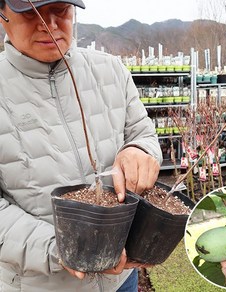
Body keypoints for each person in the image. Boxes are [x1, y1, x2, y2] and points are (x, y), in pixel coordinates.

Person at [0, 0, 162, 291]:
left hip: (120, 280)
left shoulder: (111, 72)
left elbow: (142, 133)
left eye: (60, 9)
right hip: (40, 284)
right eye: (29, 12)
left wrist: (140, 151)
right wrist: (60, 247)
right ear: (2, 14)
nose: (48, 25)